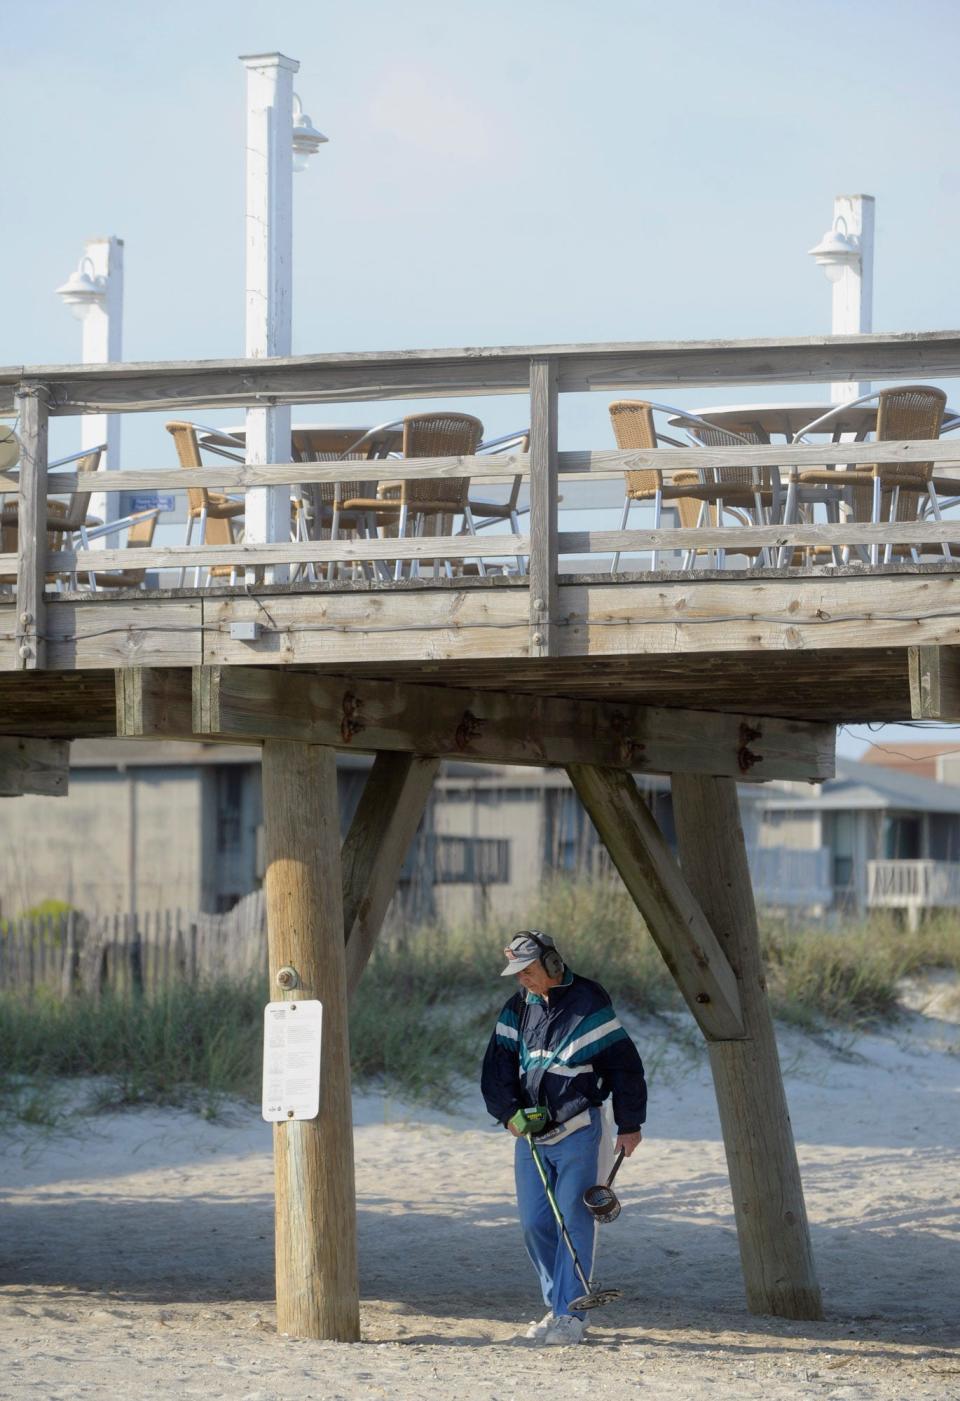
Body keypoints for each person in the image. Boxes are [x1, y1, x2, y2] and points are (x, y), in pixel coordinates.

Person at [481, 929, 646, 1347]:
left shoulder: (589, 1001)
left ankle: (571, 1315)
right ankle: (557, 1305)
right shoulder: (518, 1006)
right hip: (532, 1137)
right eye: (517, 974)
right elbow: (496, 1067)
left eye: (529, 971)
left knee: (574, 1223)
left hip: (579, 1130)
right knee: (535, 1225)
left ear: (552, 964)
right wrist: (507, 1115)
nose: (523, 980)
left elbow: (625, 1066)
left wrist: (629, 1124)